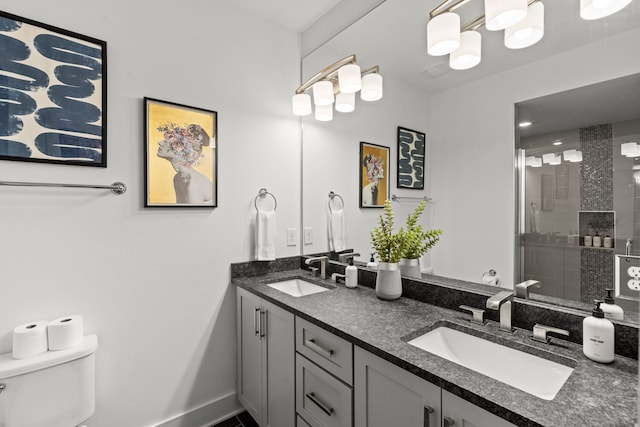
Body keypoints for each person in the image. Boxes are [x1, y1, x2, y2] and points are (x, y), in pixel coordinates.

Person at [156, 122, 213, 204]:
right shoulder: (178, 178)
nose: (160, 142)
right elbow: (180, 211)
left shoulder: (193, 182)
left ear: (179, 148)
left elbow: (193, 215)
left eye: (168, 141)